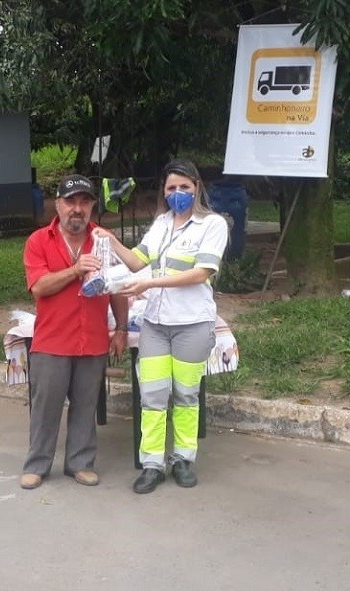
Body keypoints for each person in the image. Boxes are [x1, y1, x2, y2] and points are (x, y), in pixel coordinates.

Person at [95, 159, 229, 493]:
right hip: (156, 324)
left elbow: (201, 273)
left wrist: (149, 285)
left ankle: (183, 459)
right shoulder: (161, 223)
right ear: (164, 192)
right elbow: (137, 261)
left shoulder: (212, 225)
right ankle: (152, 464)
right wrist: (110, 240)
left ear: (197, 187)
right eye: (172, 188)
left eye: (185, 187)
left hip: (192, 324)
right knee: (152, 397)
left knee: (185, 395)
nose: (178, 193)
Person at [20, 174, 129, 490]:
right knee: (46, 407)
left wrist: (121, 329)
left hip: (92, 339)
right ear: (58, 204)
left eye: (84, 201)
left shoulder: (105, 240)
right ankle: (37, 465)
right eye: (71, 201)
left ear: (93, 205)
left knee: (85, 406)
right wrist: (75, 269)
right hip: (52, 341)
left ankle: (80, 464)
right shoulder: (39, 241)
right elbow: (39, 287)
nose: (77, 209)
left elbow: (118, 289)